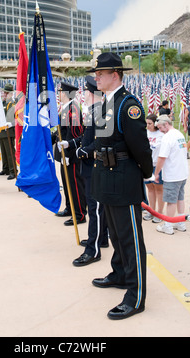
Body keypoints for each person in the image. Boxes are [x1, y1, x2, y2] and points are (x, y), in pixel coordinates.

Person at [90, 52, 153, 321]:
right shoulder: (107, 103)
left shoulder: (128, 105)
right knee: (116, 235)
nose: (96, 78)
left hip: (123, 178)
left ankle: (135, 296)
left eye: (100, 74)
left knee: (130, 240)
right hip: (106, 177)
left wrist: (146, 173)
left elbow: (140, 146)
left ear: (115, 75)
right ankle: (119, 273)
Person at [58, 76, 109, 266]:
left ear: (90, 93)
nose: (84, 95)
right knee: (97, 207)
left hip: (94, 166)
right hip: (89, 166)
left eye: (86, 91)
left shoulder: (99, 112)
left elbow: (101, 140)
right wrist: (71, 143)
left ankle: (93, 250)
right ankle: (101, 238)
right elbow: (85, 137)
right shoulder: (94, 111)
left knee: (94, 208)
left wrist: (83, 151)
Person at [54, 82, 87, 226]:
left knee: (75, 185)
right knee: (67, 184)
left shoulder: (73, 110)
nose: (59, 94)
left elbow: (75, 134)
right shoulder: (66, 108)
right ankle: (70, 208)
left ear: (66, 93)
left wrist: (67, 154)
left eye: (61, 91)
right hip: (64, 152)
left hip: (71, 154)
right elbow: (61, 131)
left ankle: (79, 214)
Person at [154, 114, 188, 235]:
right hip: (182, 173)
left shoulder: (167, 137)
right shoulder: (179, 134)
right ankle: (180, 221)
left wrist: (156, 173)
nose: (159, 130)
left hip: (173, 174)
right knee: (180, 198)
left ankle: (168, 225)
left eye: (160, 127)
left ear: (166, 124)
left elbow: (162, 157)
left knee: (171, 200)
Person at [144, 113, 165, 223]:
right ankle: (151, 211)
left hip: (157, 165)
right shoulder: (145, 133)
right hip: (147, 164)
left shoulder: (161, 134)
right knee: (150, 188)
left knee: (158, 189)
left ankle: (159, 213)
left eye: (150, 124)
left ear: (155, 124)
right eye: (146, 123)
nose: (148, 126)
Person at [0, 84, 16, 180]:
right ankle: (6, 168)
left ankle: (13, 171)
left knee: (10, 152)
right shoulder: (3, 103)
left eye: (5, 92)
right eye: (4, 92)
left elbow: (17, 118)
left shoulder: (12, 103)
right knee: (4, 151)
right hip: (2, 131)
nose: (4, 94)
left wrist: (11, 124)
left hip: (9, 131)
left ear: (10, 94)